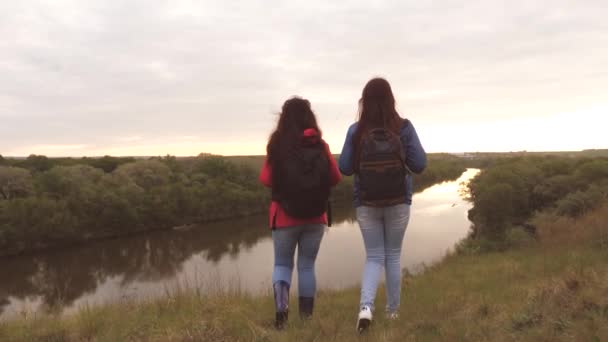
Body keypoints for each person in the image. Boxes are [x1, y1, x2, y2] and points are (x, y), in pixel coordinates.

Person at [338, 77, 426, 333]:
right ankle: (393, 312)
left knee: (374, 256)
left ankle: (366, 308)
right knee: (393, 256)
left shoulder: (356, 131)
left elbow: (344, 168)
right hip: (399, 200)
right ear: (391, 99)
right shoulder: (404, 127)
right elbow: (420, 164)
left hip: (366, 202)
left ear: (364, 101)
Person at [259, 96, 341, 330]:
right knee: (307, 266)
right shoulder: (319, 144)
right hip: (315, 217)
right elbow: (335, 177)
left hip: (284, 217)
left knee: (282, 265)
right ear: (309, 116)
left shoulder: (277, 144)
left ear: (283, 119)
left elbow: (265, 179)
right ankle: (306, 320)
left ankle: (282, 316)